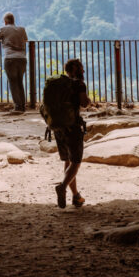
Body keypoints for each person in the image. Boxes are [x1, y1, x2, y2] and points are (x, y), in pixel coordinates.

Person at [53, 58, 90, 209]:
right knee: (76, 162)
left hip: (58, 127)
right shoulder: (79, 84)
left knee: (67, 161)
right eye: (81, 68)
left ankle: (75, 196)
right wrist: (87, 98)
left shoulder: (59, 85)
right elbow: (84, 103)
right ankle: (62, 187)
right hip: (72, 127)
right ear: (77, 69)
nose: (83, 71)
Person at [0, 12, 29, 113]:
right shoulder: (22, 29)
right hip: (22, 58)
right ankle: (23, 106)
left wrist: (4, 40)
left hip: (10, 58)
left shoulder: (4, 29)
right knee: (20, 82)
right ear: (13, 20)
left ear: (5, 21)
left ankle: (17, 107)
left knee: (13, 83)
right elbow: (26, 40)